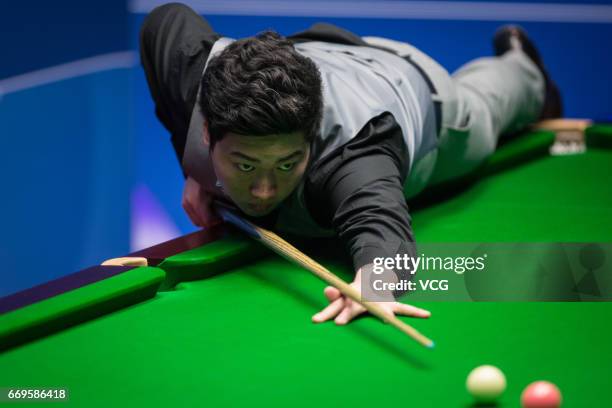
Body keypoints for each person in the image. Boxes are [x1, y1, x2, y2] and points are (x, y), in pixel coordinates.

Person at [139, 3, 562, 325]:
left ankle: (525, 69)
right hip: (316, 55)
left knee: (487, 109)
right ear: (209, 132)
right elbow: (164, 19)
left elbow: (382, 227)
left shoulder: (354, 153)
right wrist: (193, 167)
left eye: (287, 165)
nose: (265, 190)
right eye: (246, 166)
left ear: (311, 138)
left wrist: (374, 283)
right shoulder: (193, 73)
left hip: (417, 93)